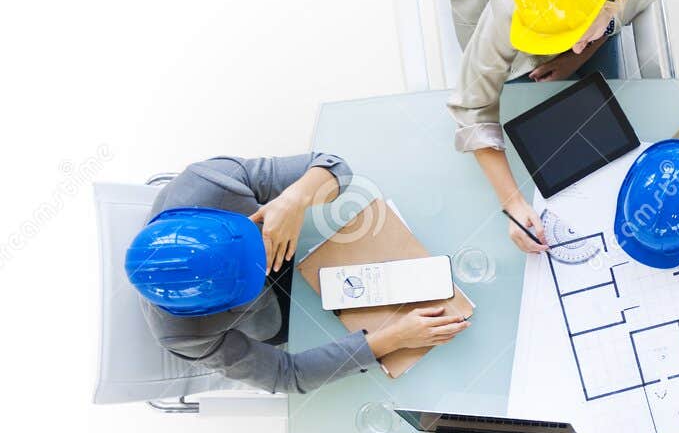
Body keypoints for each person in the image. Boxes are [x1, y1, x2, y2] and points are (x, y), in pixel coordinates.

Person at [125, 152, 467, 393]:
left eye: (259, 244)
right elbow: (287, 375)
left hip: (307, 236)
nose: (268, 263)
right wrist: (392, 339)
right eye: (252, 275)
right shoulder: (183, 335)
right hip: (284, 315)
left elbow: (336, 168)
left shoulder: (209, 185)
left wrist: (296, 197)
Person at [446, 0, 678, 253]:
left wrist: (579, 55)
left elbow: (618, 11)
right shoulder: (511, 7)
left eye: (581, 36)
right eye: (569, 40)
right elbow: (471, 108)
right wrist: (512, 204)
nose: (577, 45)